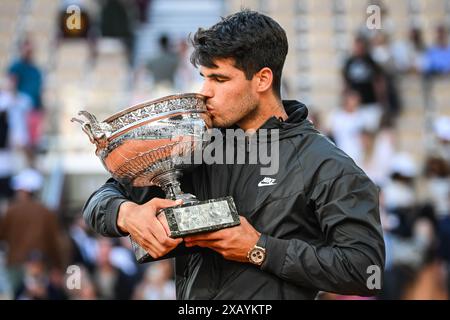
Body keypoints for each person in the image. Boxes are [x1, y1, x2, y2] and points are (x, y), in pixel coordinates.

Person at [83, 10, 385, 299]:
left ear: (263, 80)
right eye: (204, 77)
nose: (205, 91)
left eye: (219, 79)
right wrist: (126, 214)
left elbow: (366, 269)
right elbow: (100, 200)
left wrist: (259, 249)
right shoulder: (193, 145)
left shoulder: (324, 162)